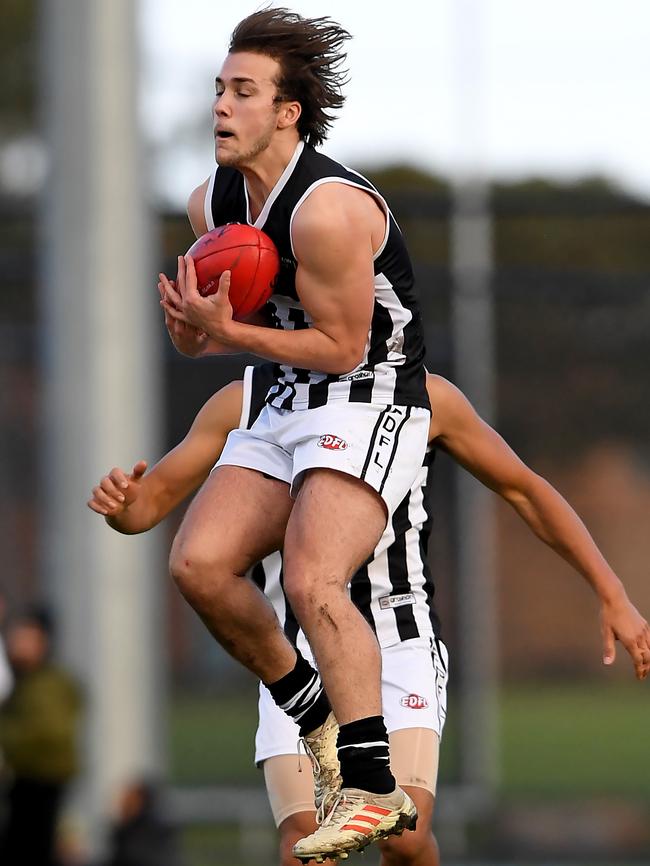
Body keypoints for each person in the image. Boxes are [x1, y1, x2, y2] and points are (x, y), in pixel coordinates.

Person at [87, 368, 650, 866]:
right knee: (305, 846)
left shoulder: (424, 398)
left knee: (404, 837)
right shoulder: (246, 400)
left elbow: (523, 489)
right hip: (299, 660)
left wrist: (611, 589)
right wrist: (124, 505)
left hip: (396, 638)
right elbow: (151, 503)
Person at [158, 8, 431, 860]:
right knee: (199, 566)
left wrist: (229, 337)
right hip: (285, 394)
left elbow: (344, 346)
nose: (220, 108)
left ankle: (371, 786)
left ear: (288, 112)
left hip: (367, 392)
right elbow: (217, 327)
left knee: (315, 578)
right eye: (218, 91)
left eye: (243, 92)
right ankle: (310, 709)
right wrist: (192, 327)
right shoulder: (213, 199)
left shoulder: (329, 210)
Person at [0, 606, 83, 866]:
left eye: (25, 637)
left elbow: (46, 734)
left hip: (37, 785)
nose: (16, 643)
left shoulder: (46, 685)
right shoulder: (23, 681)